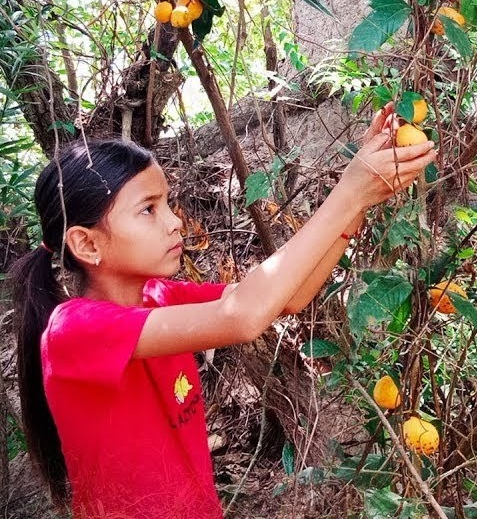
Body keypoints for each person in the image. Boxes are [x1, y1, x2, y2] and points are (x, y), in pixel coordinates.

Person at [9, 102, 436, 519]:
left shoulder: (160, 296)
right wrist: (348, 191)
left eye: (168, 204)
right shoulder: (73, 330)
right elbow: (244, 315)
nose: (175, 221)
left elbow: (288, 297)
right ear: (86, 244)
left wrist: (358, 202)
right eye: (148, 209)